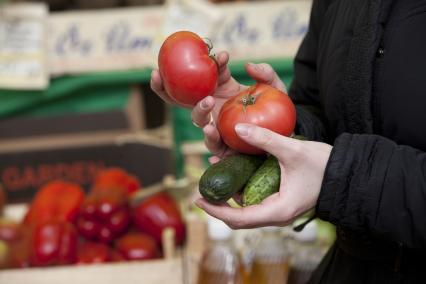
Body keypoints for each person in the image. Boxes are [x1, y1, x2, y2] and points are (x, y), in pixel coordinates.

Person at [151, 0, 426, 282]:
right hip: (349, 269)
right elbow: (318, 104)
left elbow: (339, 167)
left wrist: (341, 177)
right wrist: (284, 129)